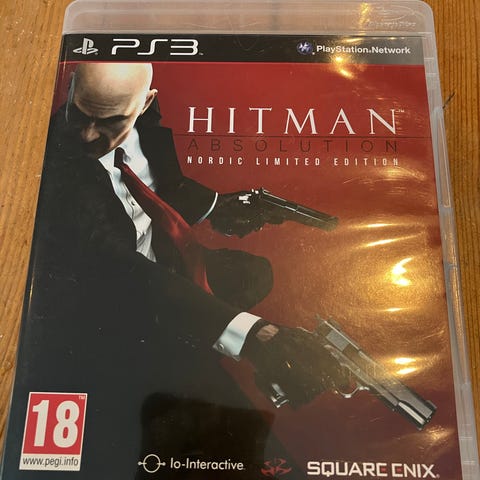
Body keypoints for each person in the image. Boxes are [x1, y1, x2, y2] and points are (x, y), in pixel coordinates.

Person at [6, 62, 345, 479]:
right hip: (110, 315)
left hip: (166, 275)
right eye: (79, 115)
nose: (89, 135)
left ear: (145, 103)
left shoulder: (146, 120)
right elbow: (120, 270)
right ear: (71, 89)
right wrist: (253, 334)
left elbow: (161, 184)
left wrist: (217, 206)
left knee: (256, 273)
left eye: (111, 122)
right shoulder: (55, 169)